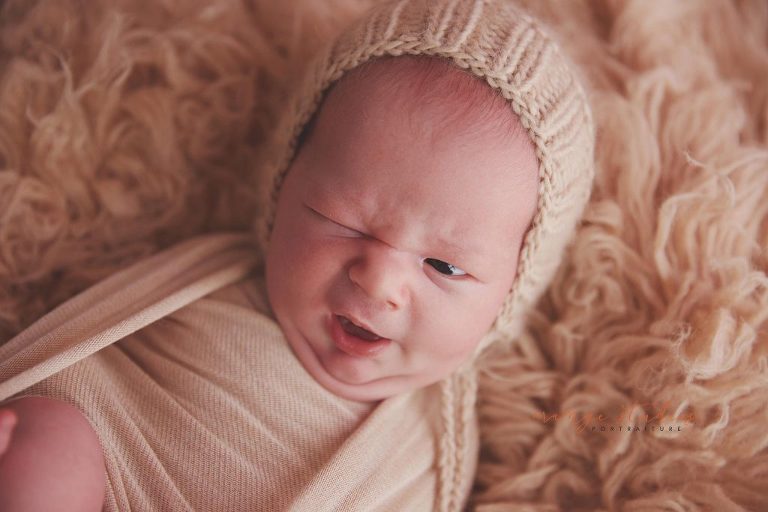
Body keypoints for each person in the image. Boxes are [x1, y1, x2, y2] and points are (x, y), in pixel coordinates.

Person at [0, 0, 595, 510]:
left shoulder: (433, 450)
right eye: (343, 221)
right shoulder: (208, 282)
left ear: (508, 294)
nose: (378, 280)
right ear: (282, 190)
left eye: (444, 266)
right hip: (108, 475)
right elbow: (87, 373)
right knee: (50, 435)